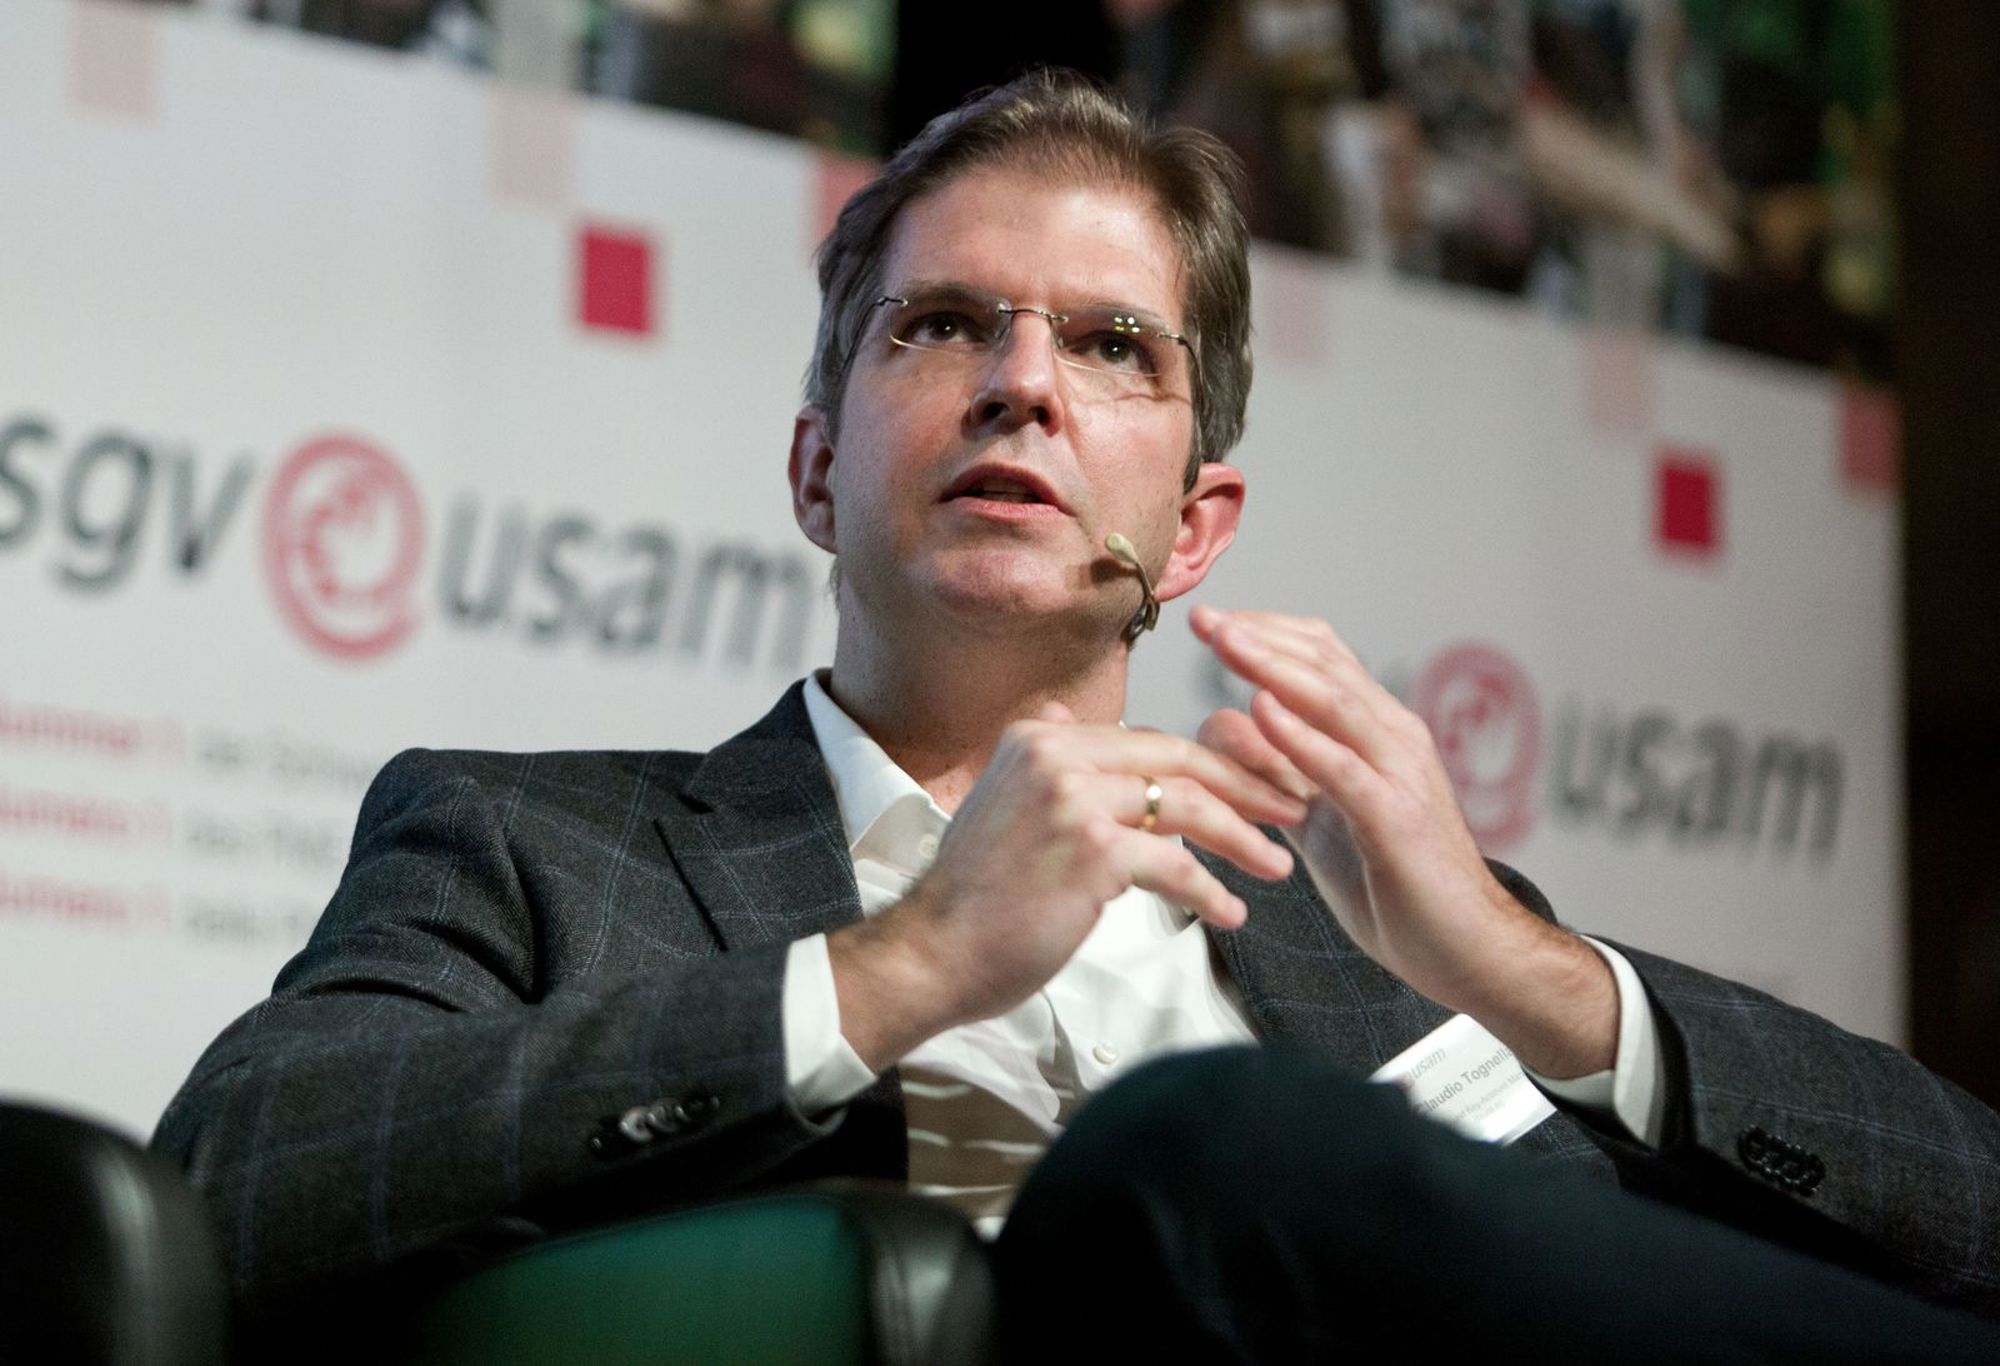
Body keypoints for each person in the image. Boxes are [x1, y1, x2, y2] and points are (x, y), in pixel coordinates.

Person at [155, 69, 2000, 1359]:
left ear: (1194, 528)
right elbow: (226, 1180)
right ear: (817, 470)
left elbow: (1968, 1217)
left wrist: (1529, 973)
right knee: (1195, 1156)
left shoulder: (1376, 936)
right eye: (942, 324)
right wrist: (896, 969)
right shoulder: (533, 845)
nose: (1023, 383)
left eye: (1115, 346)